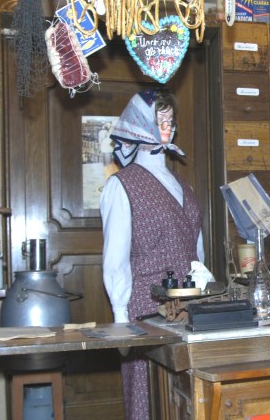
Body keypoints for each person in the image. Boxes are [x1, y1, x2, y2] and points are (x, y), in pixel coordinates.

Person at [100, 89, 204, 420]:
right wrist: (120, 323)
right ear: (139, 124)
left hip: (189, 314)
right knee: (148, 402)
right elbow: (115, 260)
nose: (167, 125)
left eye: (170, 119)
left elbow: (196, 255)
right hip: (144, 315)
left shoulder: (184, 187)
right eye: (158, 118)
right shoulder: (122, 185)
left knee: (186, 402)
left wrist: (205, 288)